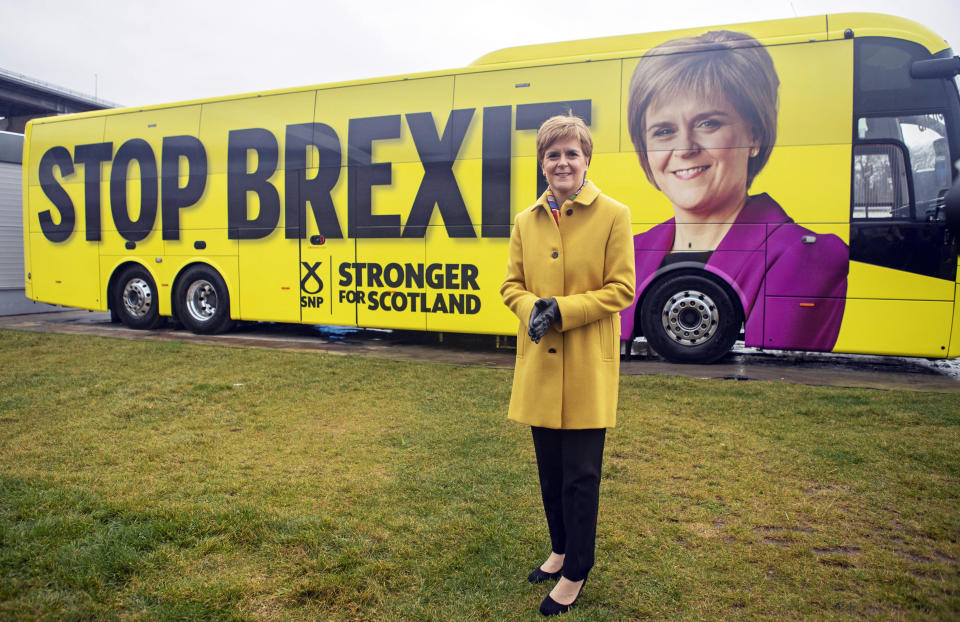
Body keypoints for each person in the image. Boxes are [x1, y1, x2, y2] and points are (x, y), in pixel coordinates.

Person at [620, 30, 849, 352]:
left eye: (708, 124)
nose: (684, 148)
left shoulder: (808, 255)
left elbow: (779, 362)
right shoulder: (627, 250)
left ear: (754, 137)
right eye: (664, 131)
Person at [500, 115, 635, 615]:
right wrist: (530, 308)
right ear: (542, 163)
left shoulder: (614, 215)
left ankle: (577, 569)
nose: (562, 162)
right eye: (553, 154)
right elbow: (511, 285)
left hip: (585, 368)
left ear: (586, 160)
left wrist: (563, 309)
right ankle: (559, 550)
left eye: (571, 153)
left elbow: (622, 289)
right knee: (550, 472)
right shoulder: (524, 221)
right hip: (539, 365)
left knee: (581, 475)